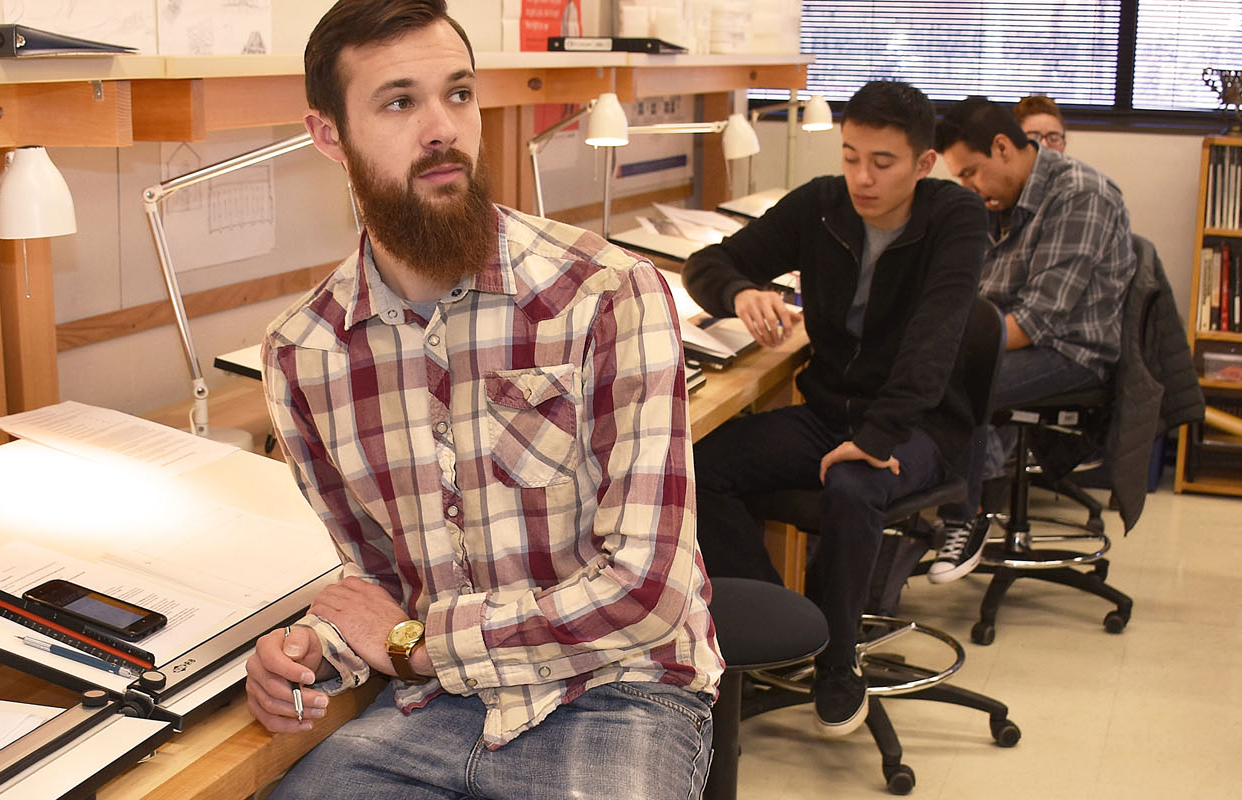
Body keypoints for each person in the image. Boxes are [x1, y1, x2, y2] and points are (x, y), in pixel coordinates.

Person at [246, 2, 721, 797]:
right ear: (329, 136)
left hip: (618, 694)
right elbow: (374, 587)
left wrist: (423, 645)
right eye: (400, 102)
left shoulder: (606, 293)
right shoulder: (303, 355)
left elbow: (648, 591)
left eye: (458, 95)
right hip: (429, 710)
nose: (443, 128)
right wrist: (308, 647)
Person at [684, 80, 988, 737]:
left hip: (919, 422)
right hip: (830, 410)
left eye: (882, 162)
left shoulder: (956, 219)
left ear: (924, 164)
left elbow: (934, 341)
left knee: (853, 484)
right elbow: (709, 262)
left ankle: (838, 661)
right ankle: (786, 625)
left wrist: (878, 434)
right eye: (851, 156)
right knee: (696, 464)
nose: (862, 177)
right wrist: (738, 293)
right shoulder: (823, 206)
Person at [931, 97, 1136, 582]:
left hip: (1072, 352)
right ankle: (916, 520)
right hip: (1009, 336)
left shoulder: (1081, 195)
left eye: (971, 172)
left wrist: (944, 349)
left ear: (1003, 147)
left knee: (956, 383)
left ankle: (967, 518)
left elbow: (1037, 321)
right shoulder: (1000, 195)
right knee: (928, 372)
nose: (969, 187)